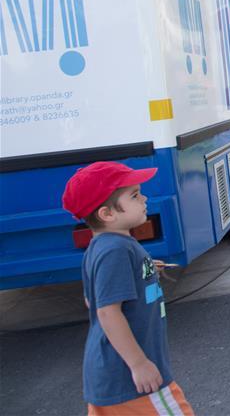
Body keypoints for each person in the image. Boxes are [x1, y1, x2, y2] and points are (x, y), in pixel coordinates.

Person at [62, 161, 193, 415]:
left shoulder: (103, 246)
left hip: (110, 378)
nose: (144, 198)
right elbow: (106, 311)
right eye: (134, 195)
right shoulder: (116, 250)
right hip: (131, 379)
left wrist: (141, 272)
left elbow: (93, 299)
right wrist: (139, 363)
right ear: (107, 214)